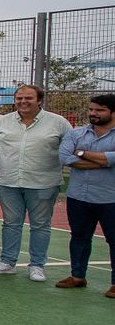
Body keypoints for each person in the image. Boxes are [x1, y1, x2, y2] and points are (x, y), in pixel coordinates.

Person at [0, 84, 71, 282]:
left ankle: (37, 266)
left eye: (28, 98)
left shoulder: (58, 122)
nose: (23, 102)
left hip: (43, 183)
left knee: (40, 225)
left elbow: (68, 148)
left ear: (39, 100)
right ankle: (7, 263)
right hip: (8, 182)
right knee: (11, 223)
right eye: (20, 98)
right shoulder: (3, 122)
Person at [55, 94, 115, 296]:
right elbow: (64, 157)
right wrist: (103, 161)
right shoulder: (77, 133)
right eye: (91, 110)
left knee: (113, 239)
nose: (93, 113)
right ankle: (77, 276)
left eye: (99, 110)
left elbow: (113, 160)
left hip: (110, 198)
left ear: (112, 113)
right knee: (79, 237)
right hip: (79, 196)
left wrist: (81, 153)